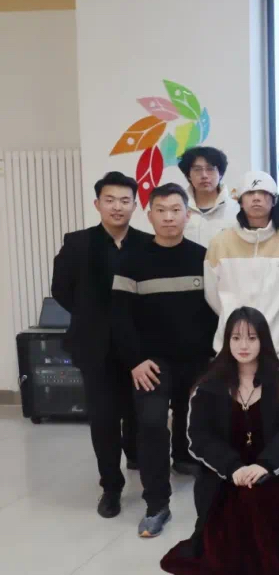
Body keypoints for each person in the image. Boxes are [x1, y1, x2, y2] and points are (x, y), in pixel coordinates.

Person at [160, 307, 279, 575]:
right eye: (236, 338)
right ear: (226, 340)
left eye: (251, 337)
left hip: (272, 473)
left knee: (264, 503)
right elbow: (198, 438)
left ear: (263, 340)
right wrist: (234, 468)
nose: (243, 345)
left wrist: (265, 466)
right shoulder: (208, 385)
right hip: (225, 475)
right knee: (233, 510)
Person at [111, 183, 217, 537]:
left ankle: (193, 471)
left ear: (188, 215)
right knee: (153, 423)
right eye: (161, 210)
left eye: (176, 210)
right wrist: (135, 360)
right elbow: (120, 317)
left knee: (197, 421)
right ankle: (156, 505)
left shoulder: (203, 257)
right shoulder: (131, 260)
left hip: (198, 360)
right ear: (149, 215)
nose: (169, 217)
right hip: (151, 363)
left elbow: (216, 311)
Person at [52, 171, 152, 518]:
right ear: (97, 204)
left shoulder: (147, 244)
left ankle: (136, 456)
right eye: (110, 200)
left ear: (135, 205)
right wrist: (93, 317)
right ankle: (111, 487)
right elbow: (61, 290)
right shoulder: (78, 243)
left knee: (138, 412)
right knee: (104, 417)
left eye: (125, 200)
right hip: (95, 346)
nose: (117, 207)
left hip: (139, 346)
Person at [205, 171, 279, 376]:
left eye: (264, 193)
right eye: (250, 193)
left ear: (274, 200)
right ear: (240, 201)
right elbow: (212, 294)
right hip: (230, 346)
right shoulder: (220, 242)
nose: (257, 198)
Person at [178, 146, 239, 247]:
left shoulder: (236, 210)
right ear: (188, 175)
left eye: (210, 169)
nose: (204, 175)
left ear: (220, 174)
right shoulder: (178, 209)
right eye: (197, 169)